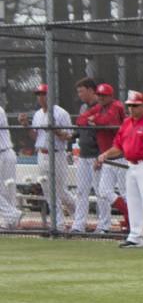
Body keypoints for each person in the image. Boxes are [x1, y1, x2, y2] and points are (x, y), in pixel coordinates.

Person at [94, 90, 143, 249]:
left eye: (135, 105)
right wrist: (105, 154)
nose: (131, 109)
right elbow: (118, 147)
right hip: (131, 165)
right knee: (133, 201)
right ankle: (135, 235)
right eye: (129, 105)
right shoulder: (127, 123)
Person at [18, 83, 76, 230]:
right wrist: (26, 126)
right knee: (48, 191)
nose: (40, 97)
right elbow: (35, 136)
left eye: (43, 94)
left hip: (57, 154)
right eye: (38, 94)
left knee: (61, 191)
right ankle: (59, 224)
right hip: (42, 154)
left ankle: (79, 214)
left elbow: (70, 137)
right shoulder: (37, 114)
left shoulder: (61, 113)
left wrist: (56, 131)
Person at [89, 83, 128, 234]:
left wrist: (96, 119)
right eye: (99, 95)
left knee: (126, 193)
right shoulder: (100, 108)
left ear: (111, 96)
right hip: (108, 157)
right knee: (104, 190)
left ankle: (135, 222)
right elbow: (82, 120)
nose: (101, 98)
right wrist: (96, 118)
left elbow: (110, 122)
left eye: (104, 95)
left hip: (121, 157)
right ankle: (130, 216)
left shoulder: (116, 105)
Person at [70, 78, 102, 234]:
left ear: (91, 90)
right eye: (77, 91)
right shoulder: (83, 107)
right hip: (83, 155)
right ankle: (78, 225)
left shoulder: (101, 107)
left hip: (97, 154)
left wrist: (101, 155)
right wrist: (68, 135)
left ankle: (104, 226)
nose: (79, 94)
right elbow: (79, 129)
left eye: (81, 91)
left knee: (100, 191)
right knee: (81, 191)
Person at [0, 103, 22, 229]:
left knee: (9, 191)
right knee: (3, 191)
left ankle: (12, 218)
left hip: (5, 153)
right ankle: (12, 218)